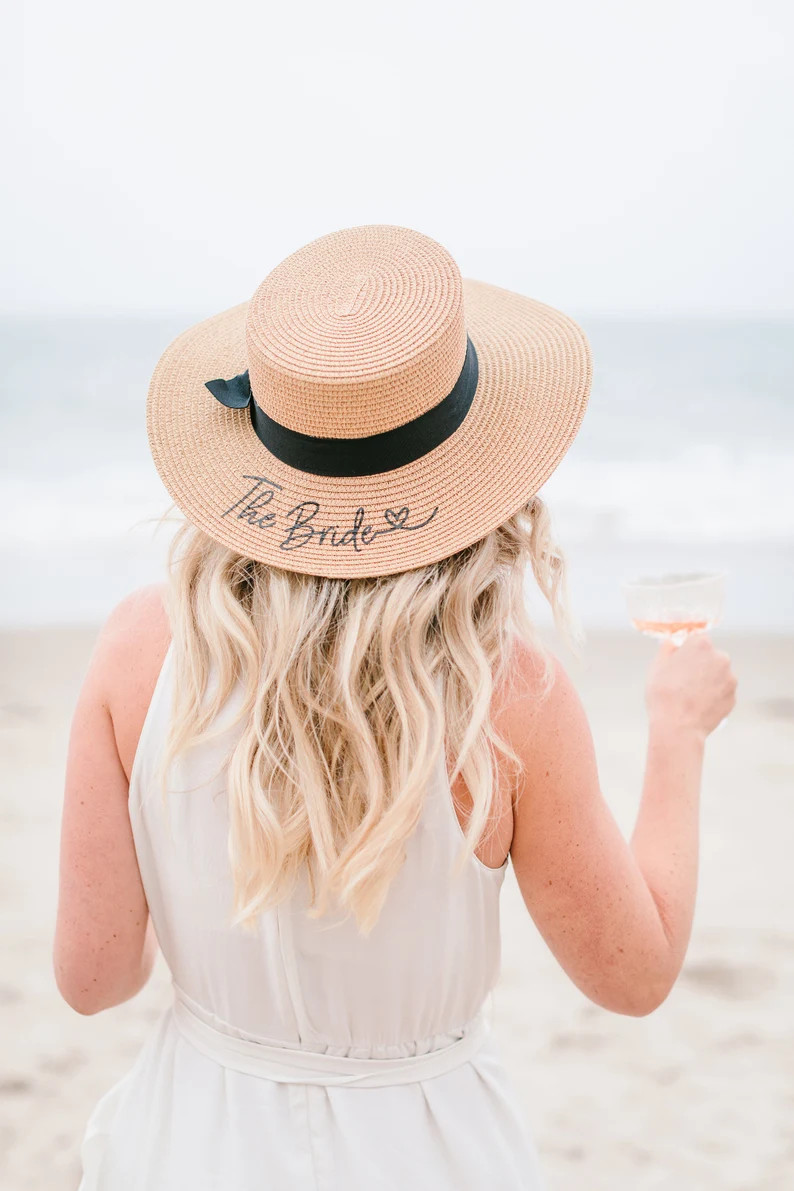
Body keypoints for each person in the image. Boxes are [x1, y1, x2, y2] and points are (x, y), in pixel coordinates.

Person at [55, 225, 737, 1190]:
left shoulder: (136, 648)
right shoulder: (512, 694)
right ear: (473, 461)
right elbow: (635, 973)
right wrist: (678, 732)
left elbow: (93, 981)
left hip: (191, 1146)